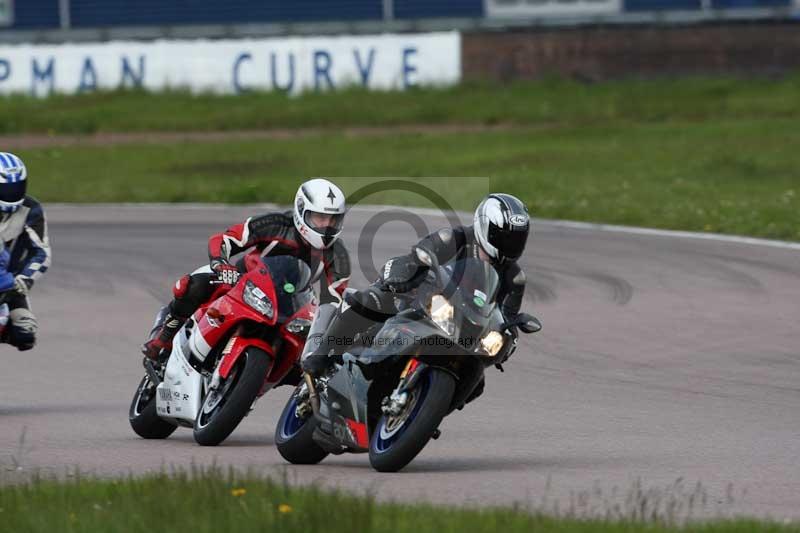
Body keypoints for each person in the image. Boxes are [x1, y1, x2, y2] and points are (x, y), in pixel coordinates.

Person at [302, 192, 530, 377]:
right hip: (422, 297)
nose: (510, 243)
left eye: (516, 238)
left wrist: (508, 337)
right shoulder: (455, 239)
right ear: (484, 226)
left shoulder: (514, 278)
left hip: (462, 328)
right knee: (370, 300)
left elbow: (506, 317)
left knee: (476, 378)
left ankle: (420, 407)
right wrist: (412, 272)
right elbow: (422, 252)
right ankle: (322, 354)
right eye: (503, 236)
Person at [142, 178, 350, 360]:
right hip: (241, 281)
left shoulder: (338, 257)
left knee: (305, 353)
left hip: (289, 303)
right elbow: (225, 239)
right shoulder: (276, 224)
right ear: (302, 209)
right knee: (193, 286)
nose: (326, 226)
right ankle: (163, 339)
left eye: (332, 220)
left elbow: (332, 302)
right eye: (319, 218)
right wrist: (221, 264)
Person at [0, 152, 52, 351]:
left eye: (16, 187)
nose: (12, 192)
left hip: (9, 284)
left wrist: (22, 281)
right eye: (5, 188)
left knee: (25, 335)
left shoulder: (31, 209)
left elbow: (42, 253)